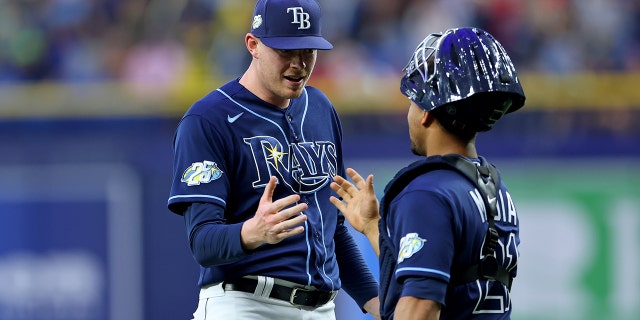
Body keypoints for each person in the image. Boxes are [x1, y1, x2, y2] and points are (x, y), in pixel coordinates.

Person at [167, 0, 380, 319]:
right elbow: (202, 241)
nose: (299, 63)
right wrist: (251, 232)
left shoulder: (320, 108)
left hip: (322, 308)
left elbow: (332, 230)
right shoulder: (208, 119)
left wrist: (379, 306)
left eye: (308, 50)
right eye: (285, 51)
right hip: (246, 304)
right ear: (253, 45)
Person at [329, 27, 525, 320]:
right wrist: (373, 227)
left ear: (426, 112)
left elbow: (421, 307)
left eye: (412, 101)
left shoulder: (427, 193)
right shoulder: (492, 187)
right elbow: (440, 270)